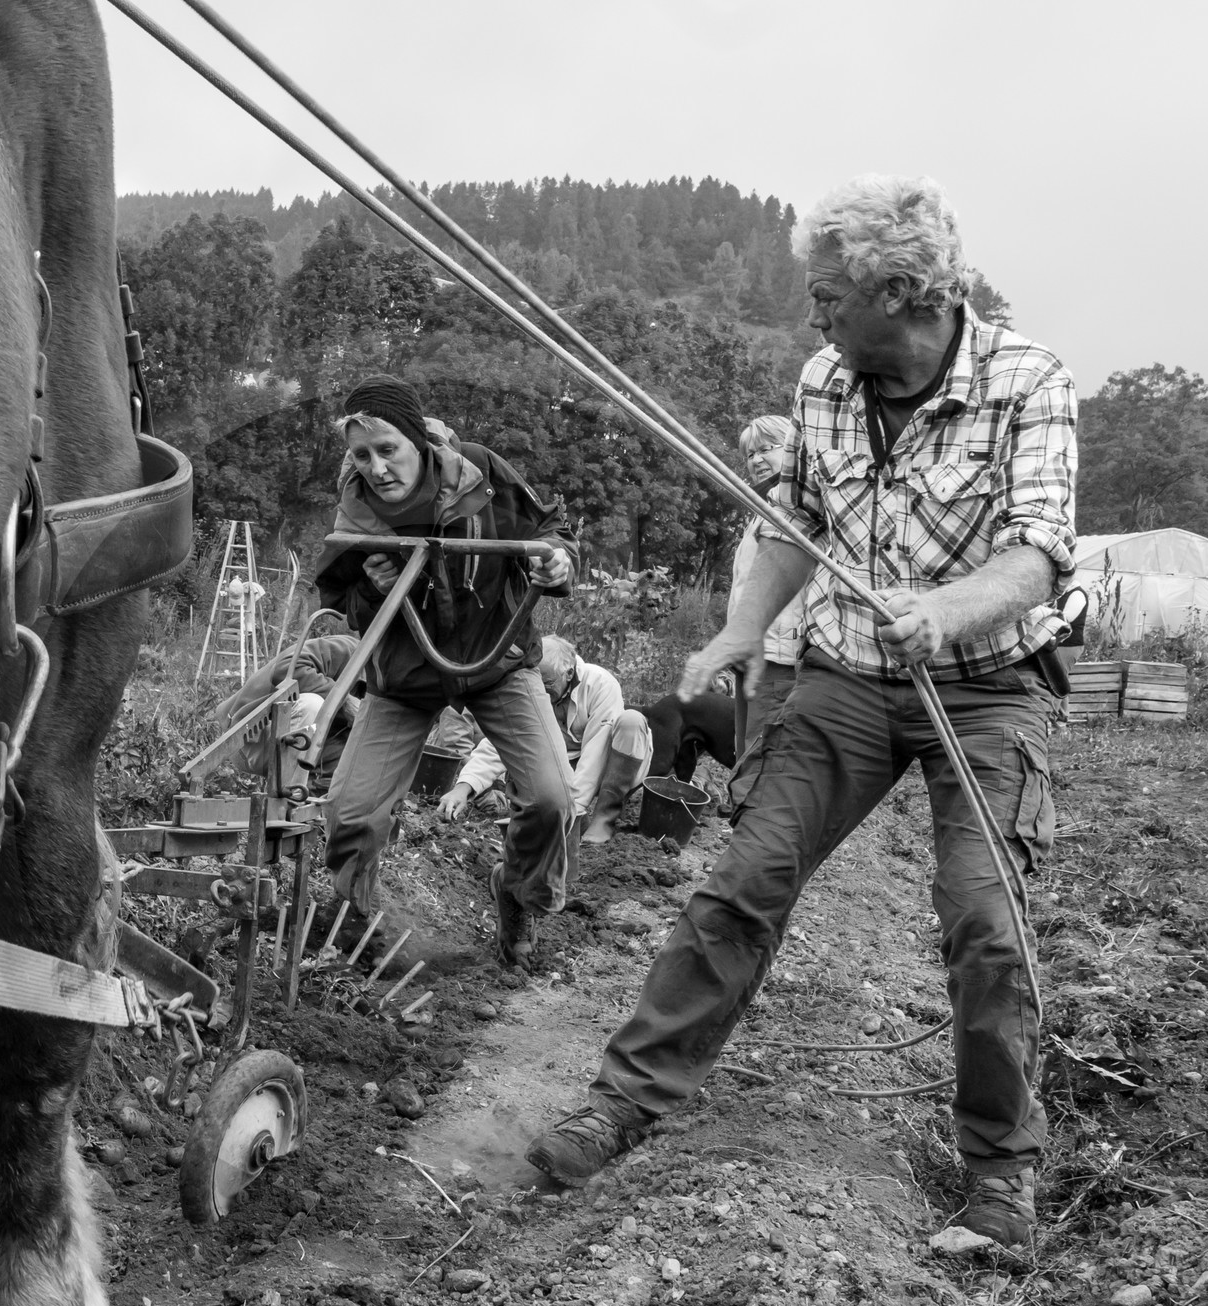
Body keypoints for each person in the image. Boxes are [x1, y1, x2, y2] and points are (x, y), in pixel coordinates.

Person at [527, 175, 1077, 1247]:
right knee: (745, 878)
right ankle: (625, 1099)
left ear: (901, 292)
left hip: (990, 686)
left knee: (983, 920)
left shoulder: (1029, 382)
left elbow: (1036, 555)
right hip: (848, 677)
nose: (813, 314)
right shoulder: (828, 380)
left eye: (829, 294)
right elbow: (797, 530)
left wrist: (949, 612)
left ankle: (999, 1178)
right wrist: (739, 631)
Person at [313, 376, 578, 968]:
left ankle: (516, 892)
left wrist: (557, 564)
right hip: (406, 674)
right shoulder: (355, 513)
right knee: (351, 812)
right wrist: (372, 589)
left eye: (389, 450)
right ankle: (359, 923)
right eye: (363, 455)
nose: (378, 467)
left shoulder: (479, 473)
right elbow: (338, 600)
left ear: (418, 440)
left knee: (551, 798)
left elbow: (549, 533)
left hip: (497, 660)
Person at [437, 636, 651, 845]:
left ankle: (604, 819)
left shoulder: (600, 684)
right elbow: (503, 743)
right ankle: (568, 817)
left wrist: (568, 811)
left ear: (568, 673)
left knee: (630, 721)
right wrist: (463, 787)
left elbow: (595, 755)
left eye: (547, 684)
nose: (542, 692)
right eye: (537, 683)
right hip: (565, 766)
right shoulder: (531, 687)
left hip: (611, 762)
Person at [729, 413, 806, 752]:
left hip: (778, 658)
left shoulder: (800, 507)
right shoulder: (764, 509)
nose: (756, 460)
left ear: (791, 448)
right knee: (745, 752)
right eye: (750, 454)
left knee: (762, 760)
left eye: (766, 449)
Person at [213, 629, 361, 790]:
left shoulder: (384, 700)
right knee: (313, 704)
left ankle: (312, 796)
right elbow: (284, 669)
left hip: (292, 746)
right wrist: (344, 700)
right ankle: (289, 793)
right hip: (248, 737)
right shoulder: (349, 650)